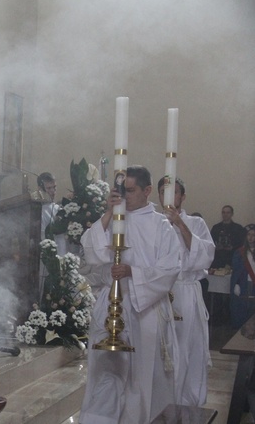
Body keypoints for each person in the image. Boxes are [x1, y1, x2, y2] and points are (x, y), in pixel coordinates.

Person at [79, 165, 180, 424]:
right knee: (106, 373)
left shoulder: (161, 225)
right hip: (110, 305)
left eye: (131, 191)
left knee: (143, 378)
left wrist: (132, 272)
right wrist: (109, 211)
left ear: (148, 191)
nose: (126, 196)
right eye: (122, 191)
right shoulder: (114, 217)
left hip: (146, 308)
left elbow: (170, 269)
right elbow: (92, 253)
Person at [157, 177, 215, 407]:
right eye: (164, 192)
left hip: (186, 292)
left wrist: (180, 224)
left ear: (183, 196)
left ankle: (190, 402)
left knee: (189, 347)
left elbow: (205, 255)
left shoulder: (196, 223)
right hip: (160, 292)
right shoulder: (154, 223)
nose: (169, 197)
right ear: (158, 195)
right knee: (164, 349)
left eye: (174, 192)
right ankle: (163, 401)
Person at [31, 172, 60, 298]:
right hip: (40, 255)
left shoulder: (59, 209)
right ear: (40, 189)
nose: (53, 191)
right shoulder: (33, 209)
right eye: (49, 188)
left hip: (58, 254)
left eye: (54, 187)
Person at [230, 224, 255, 329]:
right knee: (243, 308)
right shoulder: (240, 252)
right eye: (248, 234)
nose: (250, 237)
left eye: (253, 235)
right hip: (244, 284)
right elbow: (236, 270)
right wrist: (237, 284)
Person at [210, 205, 245, 271]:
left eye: (228, 212)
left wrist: (232, 247)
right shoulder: (216, 228)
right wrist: (215, 247)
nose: (225, 214)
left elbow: (241, 243)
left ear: (232, 214)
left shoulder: (238, 228)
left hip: (232, 259)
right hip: (218, 259)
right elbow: (210, 242)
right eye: (223, 212)